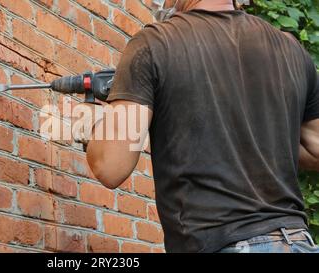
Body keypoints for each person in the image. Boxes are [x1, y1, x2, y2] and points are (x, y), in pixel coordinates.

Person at [78, 0, 319, 253]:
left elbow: (111, 167)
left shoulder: (155, 43)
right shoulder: (290, 49)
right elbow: (315, 148)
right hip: (297, 242)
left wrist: (90, 123)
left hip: (220, 243)